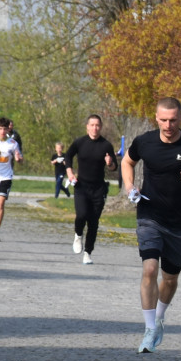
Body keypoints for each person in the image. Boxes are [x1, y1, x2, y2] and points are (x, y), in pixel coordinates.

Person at [121, 97, 181, 353]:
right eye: (163, 119)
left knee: (170, 279)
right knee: (150, 270)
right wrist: (130, 187)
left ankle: (159, 319)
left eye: (173, 120)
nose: (168, 125)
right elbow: (127, 161)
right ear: (156, 118)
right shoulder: (145, 142)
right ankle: (149, 328)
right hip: (149, 215)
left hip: (179, 222)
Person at [65, 114, 117, 265]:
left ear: (101, 127)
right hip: (82, 187)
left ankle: (87, 253)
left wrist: (110, 163)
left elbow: (114, 167)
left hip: (98, 189)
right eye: (92, 125)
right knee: (81, 215)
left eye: (97, 125)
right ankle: (78, 235)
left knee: (93, 222)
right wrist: (69, 172)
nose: (95, 128)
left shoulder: (106, 145)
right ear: (87, 126)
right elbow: (68, 156)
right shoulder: (80, 142)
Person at [0, 117, 23, 242]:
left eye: (4, 128)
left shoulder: (13, 143)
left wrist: (19, 159)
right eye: (0, 128)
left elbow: (19, 158)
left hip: (5, 177)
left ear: (8, 129)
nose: (2, 131)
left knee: (1, 203)